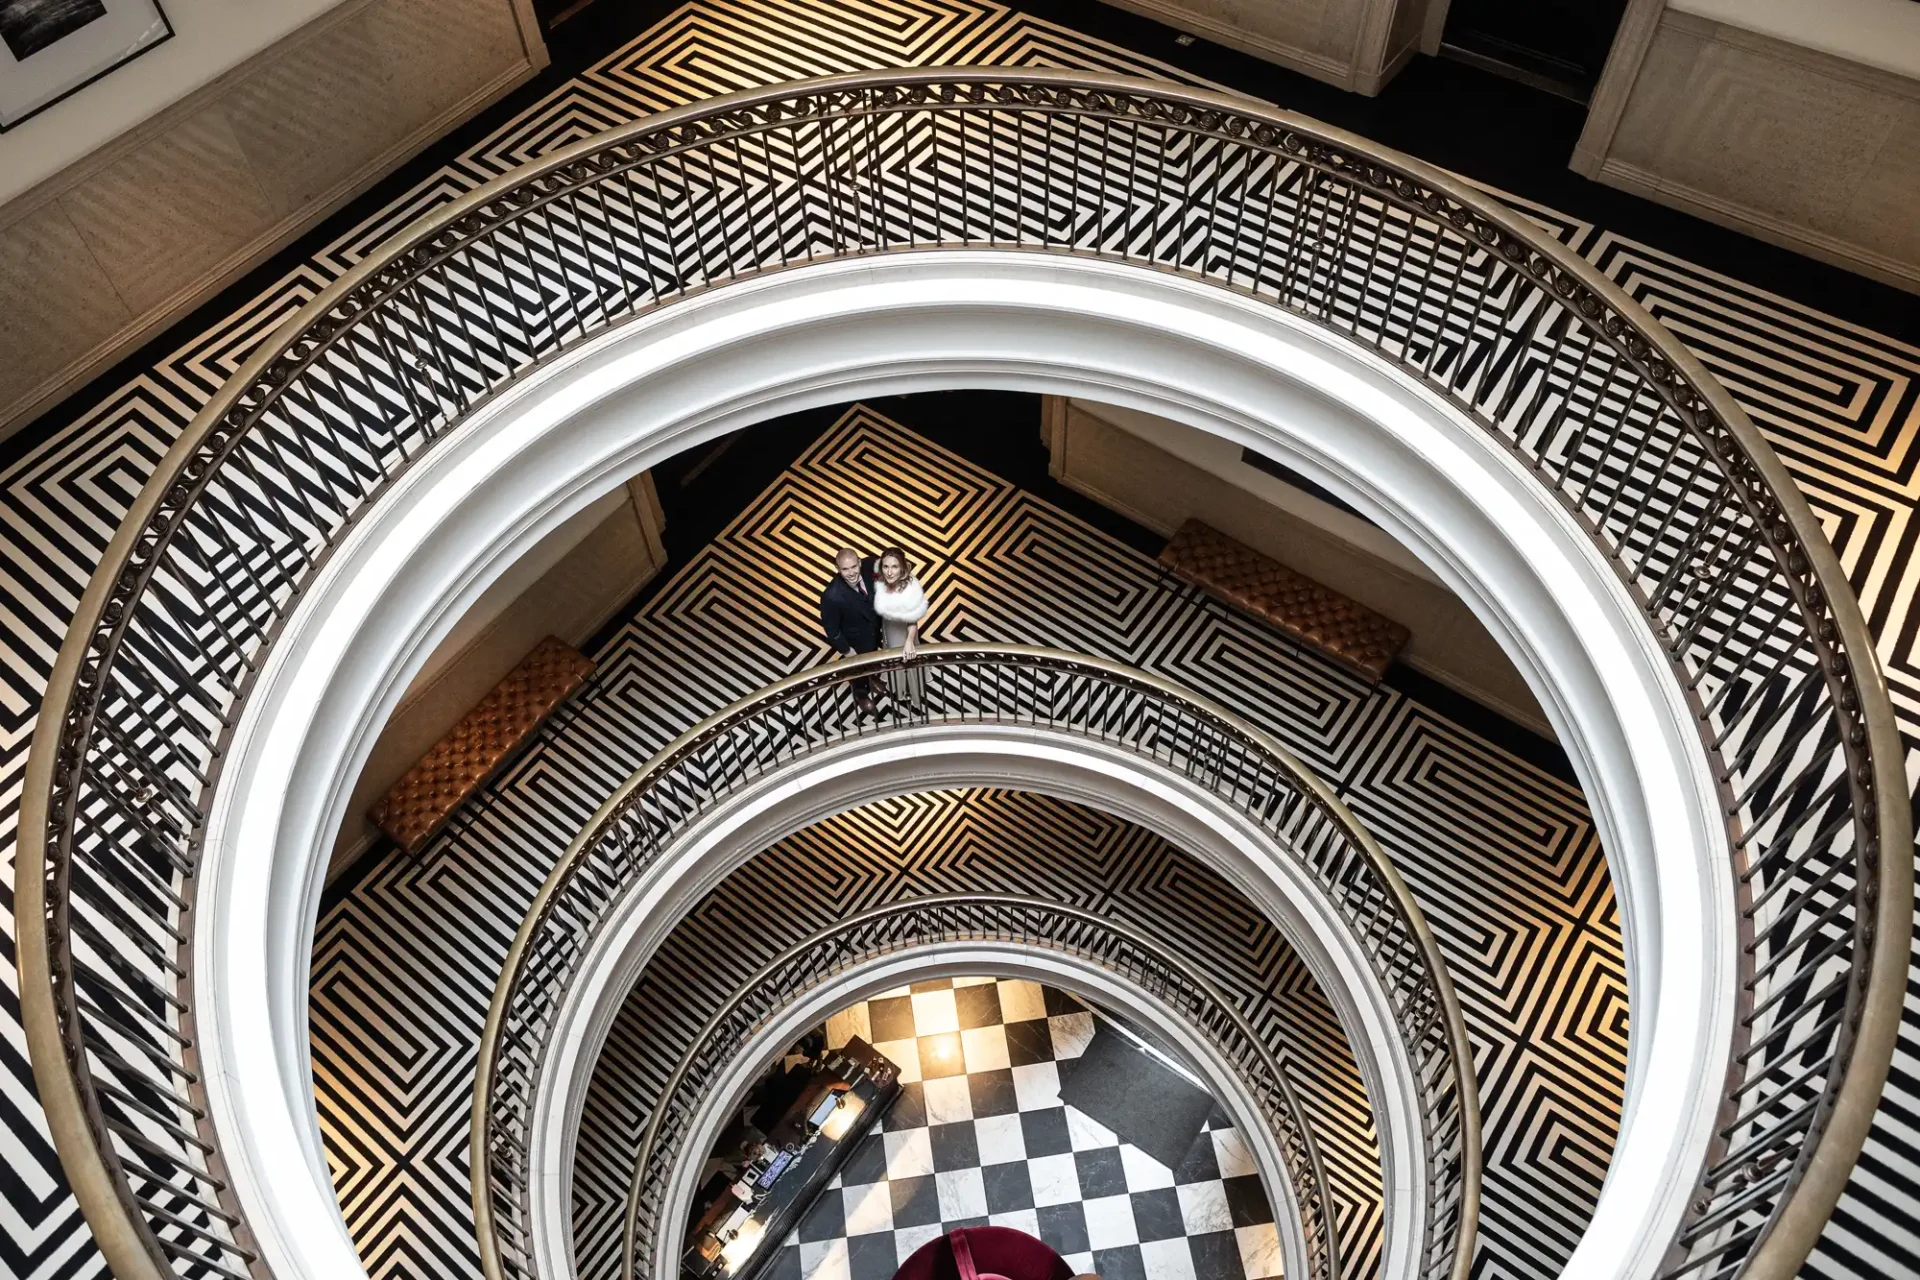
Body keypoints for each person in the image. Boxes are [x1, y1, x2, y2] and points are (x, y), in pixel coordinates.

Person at [819, 548, 882, 715]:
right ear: (838, 569)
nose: (851, 573)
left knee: (874, 660)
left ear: (860, 563)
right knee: (857, 670)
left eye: (854, 567)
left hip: (875, 630)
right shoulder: (832, 596)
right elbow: (832, 630)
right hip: (856, 641)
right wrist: (847, 651)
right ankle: (861, 694)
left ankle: (872, 677)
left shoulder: (870, 565)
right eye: (845, 569)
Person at [873, 545, 929, 710]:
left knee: (907, 661)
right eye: (886, 566)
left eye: (895, 567)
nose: (889, 572)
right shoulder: (880, 582)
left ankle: (913, 695)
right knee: (893, 658)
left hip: (903, 630)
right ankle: (900, 690)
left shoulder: (910, 588)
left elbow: (913, 619)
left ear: (902, 568)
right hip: (888, 626)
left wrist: (909, 640)